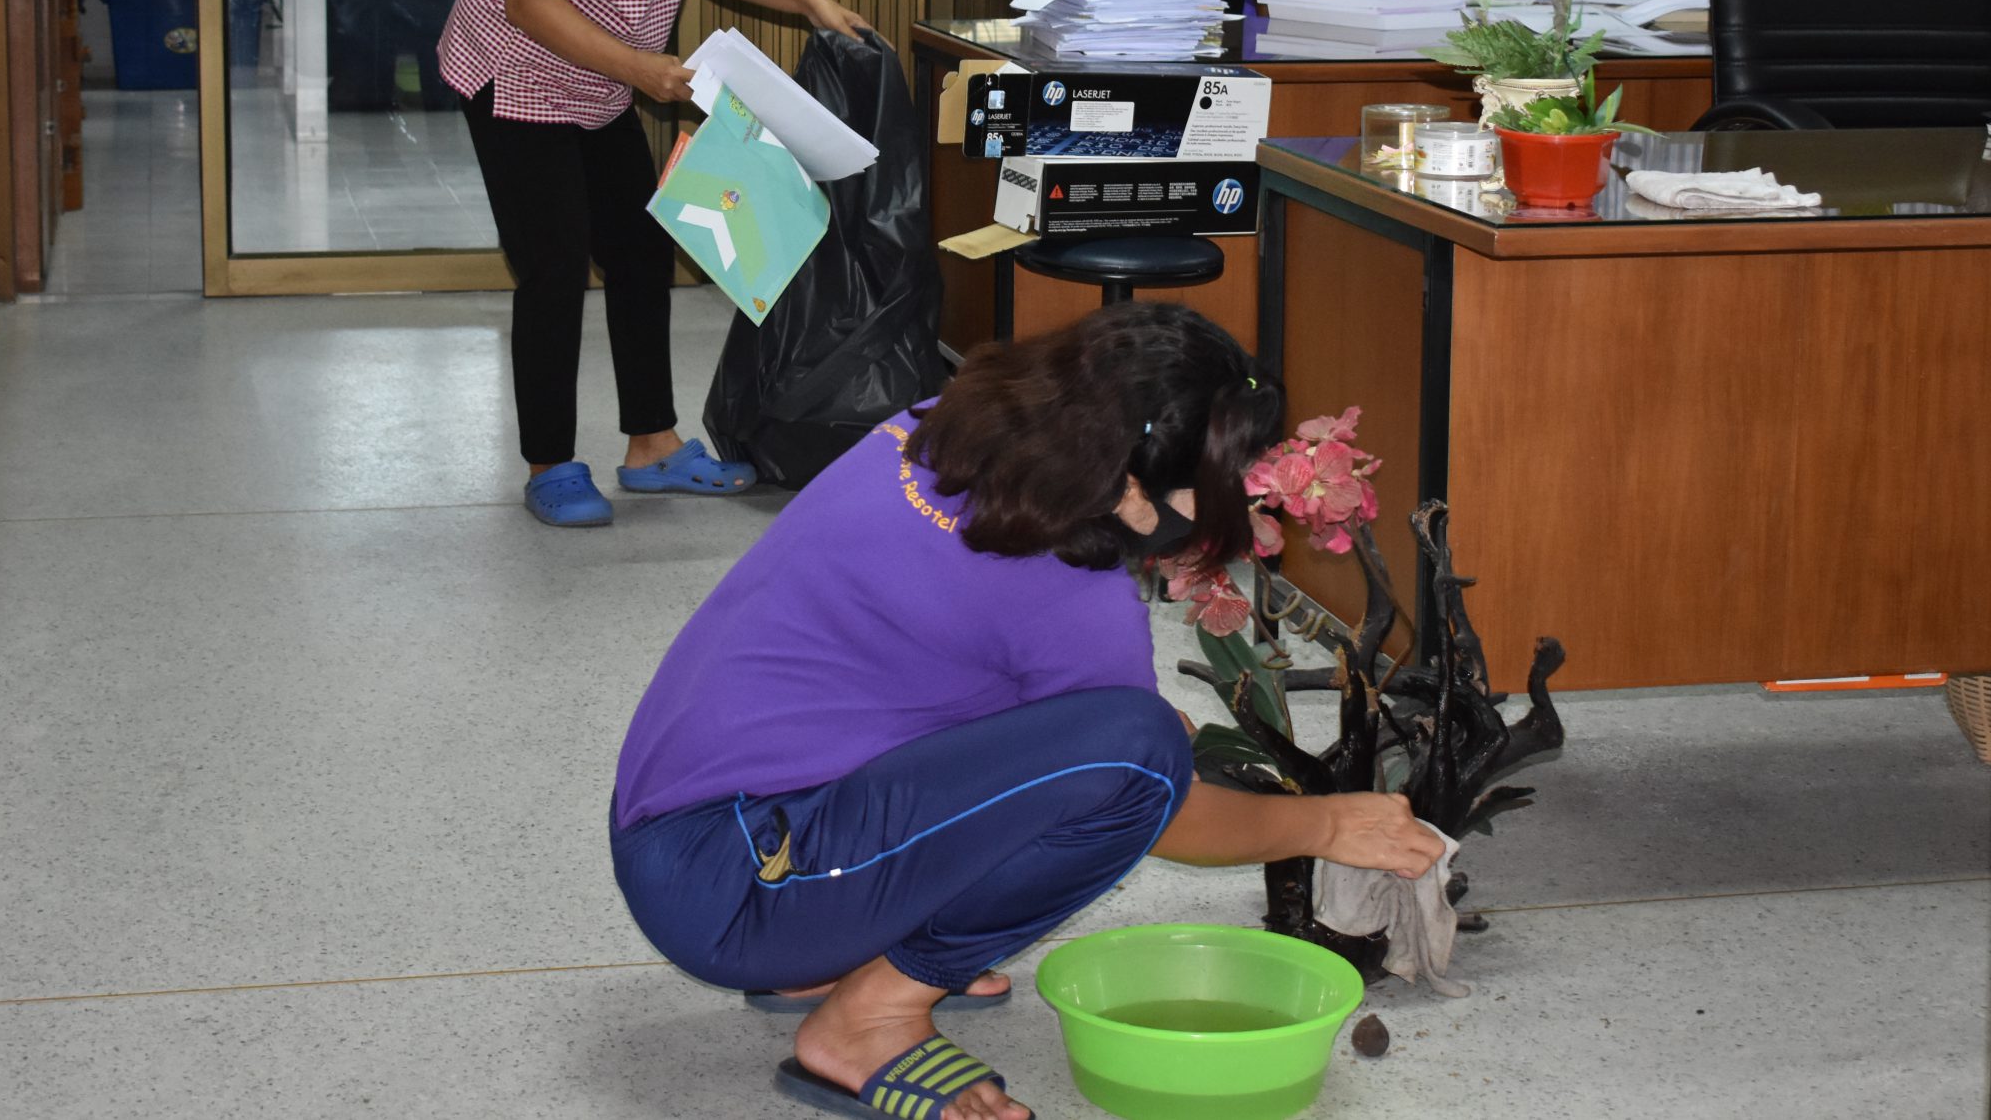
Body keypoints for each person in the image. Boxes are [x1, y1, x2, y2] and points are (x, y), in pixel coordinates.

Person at [611, 305, 1445, 1120]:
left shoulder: (934, 428)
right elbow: (1163, 807)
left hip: (693, 830)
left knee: (1109, 742)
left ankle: (835, 947)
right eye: (1221, 484)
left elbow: (951, 657)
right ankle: (870, 1016)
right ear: (1130, 486)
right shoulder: (1070, 592)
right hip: (734, 891)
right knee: (1141, 754)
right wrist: (1327, 824)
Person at [439, 0, 869, 530]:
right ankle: (550, 463)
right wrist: (643, 69)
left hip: (597, 77)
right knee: (555, 265)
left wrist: (808, 0)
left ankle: (652, 445)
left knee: (638, 251)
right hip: (515, 73)